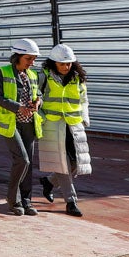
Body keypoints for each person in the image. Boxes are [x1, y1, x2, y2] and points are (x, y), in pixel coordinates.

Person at [0, 38, 44, 216]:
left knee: (28, 163)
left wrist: (38, 103)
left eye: (34, 59)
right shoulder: (2, 72)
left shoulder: (32, 75)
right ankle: (13, 200)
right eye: (29, 59)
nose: (32, 62)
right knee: (22, 160)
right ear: (18, 56)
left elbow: (39, 94)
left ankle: (26, 201)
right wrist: (17, 107)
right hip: (10, 124)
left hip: (29, 124)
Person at [37, 43, 90, 216]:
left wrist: (84, 118)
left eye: (68, 63)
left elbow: (83, 100)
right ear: (53, 63)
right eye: (62, 64)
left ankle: (49, 182)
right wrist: (42, 118)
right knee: (63, 165)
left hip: (74, 125)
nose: (66, 67)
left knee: (76, 164)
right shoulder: (44, 76)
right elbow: (36, 99)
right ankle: (71, 201)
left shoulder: (77, 78)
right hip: (53, 125)